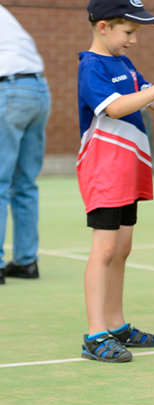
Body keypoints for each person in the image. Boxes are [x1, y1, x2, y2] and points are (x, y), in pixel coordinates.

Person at [77, 0, 154, 363]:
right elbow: (115, 107)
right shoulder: (91, 66)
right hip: (104, 169)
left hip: (128, 169)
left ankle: (116, 325)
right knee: (104, 250)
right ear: (103, 27)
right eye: (128, 32)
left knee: (122, 248)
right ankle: (95, 335)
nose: (133, 39)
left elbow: (150, 100)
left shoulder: (124, 63)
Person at [0, 5, 51, 284]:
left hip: (8, 89)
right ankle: (26, 261)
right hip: (38, 89)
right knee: (25, 182)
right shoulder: (6, 14)